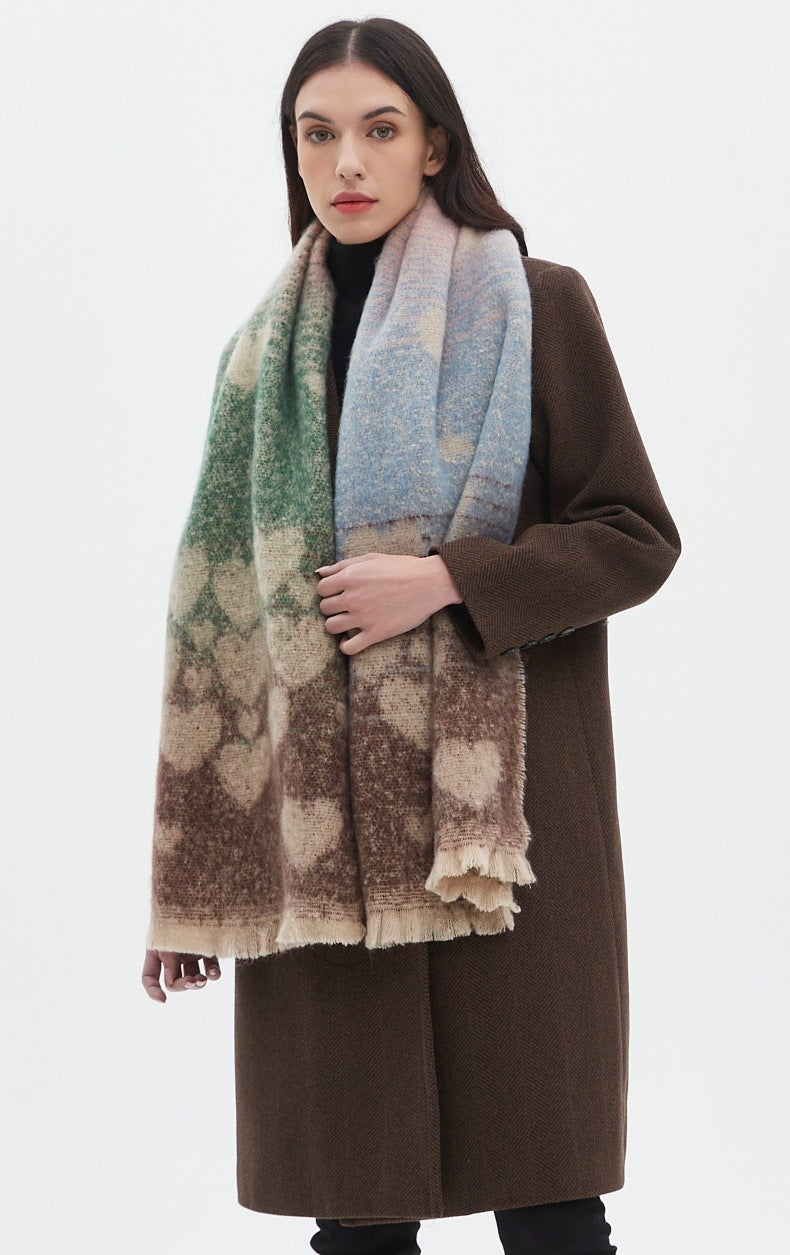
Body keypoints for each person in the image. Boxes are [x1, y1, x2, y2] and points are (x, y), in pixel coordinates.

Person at [141, 17, 681, 1255]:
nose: (345, 162)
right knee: (357, 1217)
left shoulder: (536, 306)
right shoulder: (258, 363)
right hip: (318, 842)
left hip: (499, 841)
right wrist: (195, 882)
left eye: (379, 130)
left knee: (551, 1211)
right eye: (316, 134)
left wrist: (446, 580)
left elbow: (633, 534)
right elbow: (220, 636)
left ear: (433, 143)